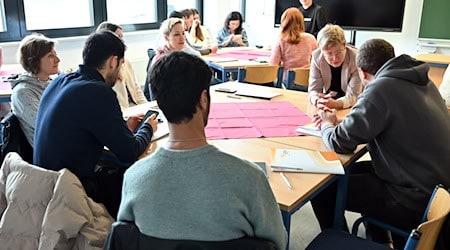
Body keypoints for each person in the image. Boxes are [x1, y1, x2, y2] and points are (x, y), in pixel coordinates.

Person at [117, 51, 288, 250]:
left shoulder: (134, 178)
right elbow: (278, 243)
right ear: (204, 98)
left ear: (158, 102)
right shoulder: (250, 179)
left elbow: (125, 238)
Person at [311, 39, 450, 248]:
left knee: (322, 188)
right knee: (348, 175)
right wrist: (340, 122)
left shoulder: (381, 88)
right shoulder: (420, 80)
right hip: (432, 187)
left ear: (362, 72)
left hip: (409, 197)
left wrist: (327, 126)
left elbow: (340, 142)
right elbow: (390, 121)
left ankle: (340, 243)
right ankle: (381, 241)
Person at [34, 31, 158, 217]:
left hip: (45, 185)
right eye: (121, 64)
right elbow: (130, 152)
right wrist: (148, 126)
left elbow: (83, 130)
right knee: (139, 178)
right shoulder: (98, 92)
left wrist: (125, 129)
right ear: (113, 61)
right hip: (71, 194)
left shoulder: (60, 81)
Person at [9, 33, 60, 147]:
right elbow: (49, 127)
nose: (57, 60)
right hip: (51, 151)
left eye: (55, 55)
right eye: (50, 56)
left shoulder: (50, 83)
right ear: (34, 61)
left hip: (64, 143)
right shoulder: (23, 92)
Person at [308, 24, 362, 109]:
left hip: (354, 105)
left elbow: (354, 96)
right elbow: (313, 90)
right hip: (329, 101)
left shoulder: (356, 58)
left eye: (339, 52)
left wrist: (336, 104)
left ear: (345, 46)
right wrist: (318, 100)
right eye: (329, 53)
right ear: (322, 51)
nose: (335, 58)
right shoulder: (317, 56)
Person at [96, 22, 148, 110]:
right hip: (124, 111)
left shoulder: (126, 62)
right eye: (118, 37)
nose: (121, 42)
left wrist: (147, 107)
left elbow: (137, 90)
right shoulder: (103, 69)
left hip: (136, 108)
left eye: (122, 38)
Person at [269, 7, 318, 83]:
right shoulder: (311, 38)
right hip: (308, 81)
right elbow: (317, 63)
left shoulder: (281, 40)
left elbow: (273, 66)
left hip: (287, 82)